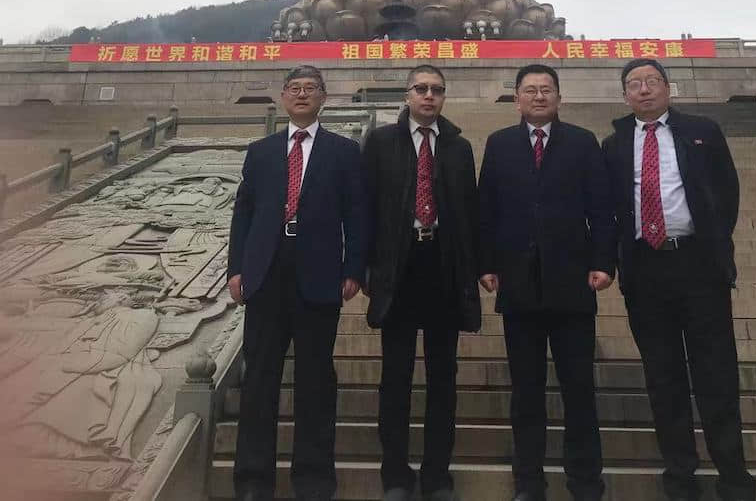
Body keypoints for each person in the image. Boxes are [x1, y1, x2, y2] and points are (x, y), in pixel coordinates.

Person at [602, 58, 756, 501]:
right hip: (646, 269)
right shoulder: (614, 144)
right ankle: (680, 475)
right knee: (662, 375)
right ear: (625, 95)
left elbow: (726, 192)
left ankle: (733, 475)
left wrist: (713, 243)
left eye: (652, 81)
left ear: (667, 88)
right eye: (634, 83)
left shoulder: (702, 131)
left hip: (698, 266)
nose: (644, 89)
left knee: (716, 373)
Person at [227, 65, 367, 501]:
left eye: (311, 88)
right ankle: (253, 481)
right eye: (295, 88)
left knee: (315, 382)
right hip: (266, 274)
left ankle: (313, 481)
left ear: (323, 97)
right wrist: (236, 268)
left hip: (319, 275)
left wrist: (354, 268)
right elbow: (243, 213)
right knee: (258, 381)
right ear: (283, 96)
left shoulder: (343, 152)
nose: (302, 94)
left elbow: (357, 214)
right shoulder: (261, 152)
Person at [478, 64, 615, 501]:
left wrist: (604, 262)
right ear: (516, 98)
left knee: (579, 389)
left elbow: (601, 207)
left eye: (546, 90)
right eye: (530, 90)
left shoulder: (582, 142)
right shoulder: (499, 144)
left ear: (559, 96)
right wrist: (486, 263)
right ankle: (529, 482)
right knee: (526, 392)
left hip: (572, 283)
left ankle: (586, 482)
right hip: (519, 285)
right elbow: (487, 210)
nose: (539, 97)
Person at [362, 64, 480, 501]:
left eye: (437, 90)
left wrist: (475, 267)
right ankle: (395, 474)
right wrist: (364, 267)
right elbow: (366, 208)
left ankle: (436, 476)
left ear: (444, 97)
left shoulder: (458, 147)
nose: (429, 96)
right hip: (398, 267)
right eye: (421, 89)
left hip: (443, 267)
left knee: (443, 378)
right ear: (407, 95)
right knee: (395, 376)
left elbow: (470, 212)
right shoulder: (380, 143)